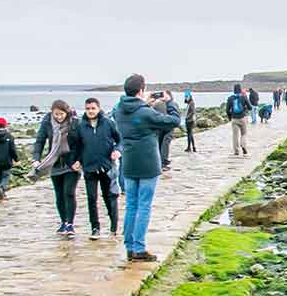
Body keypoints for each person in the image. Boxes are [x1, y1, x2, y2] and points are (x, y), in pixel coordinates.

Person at [114, 74, 182, 262]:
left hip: (128, 162)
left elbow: (124, 112)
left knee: (131, 205)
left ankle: (129, 246)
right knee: (144, 206)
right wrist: (169, 103)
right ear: (141, 90)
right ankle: (139, 247)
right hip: (148, 163)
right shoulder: (145, 112)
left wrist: (145, 103)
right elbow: (174, 121)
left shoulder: (119, 110)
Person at [71, 97, 121, 237]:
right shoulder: (81, 126)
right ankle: (95, 228)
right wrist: (76, 161)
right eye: (88, 109)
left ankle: (113, 226)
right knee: (92, 198)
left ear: (98, 109)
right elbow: (78, 147)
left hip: (106, 167)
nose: (90, 111)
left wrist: (117, 150)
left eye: (93, 108)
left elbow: (120, 140)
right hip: (89, 168)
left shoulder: (109, 123)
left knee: (109, 197)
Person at [32, 100, 80, 235]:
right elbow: (40, 140)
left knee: (69, 193)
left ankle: (70, 223)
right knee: (59, 195)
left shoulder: (75, 122)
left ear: (67, 112)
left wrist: (79, 160)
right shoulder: (47, 121)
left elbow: (81, 142)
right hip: (54, 162)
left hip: (71, 163)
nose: (59, 117)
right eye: (56, 114)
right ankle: (63, 222)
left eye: (61, 114)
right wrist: (36, 158)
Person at [225, 83, 250, 155]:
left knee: (235, 136)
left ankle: (236, 151)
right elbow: (250, 107)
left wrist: (230, 118)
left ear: (234, 90)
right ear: (240, 89)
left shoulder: (230, 98)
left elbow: (227, 110)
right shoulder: (244, 97)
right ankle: (243, 145)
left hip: (234, 119)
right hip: (243, 118)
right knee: (244, 134)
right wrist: (245, 109)